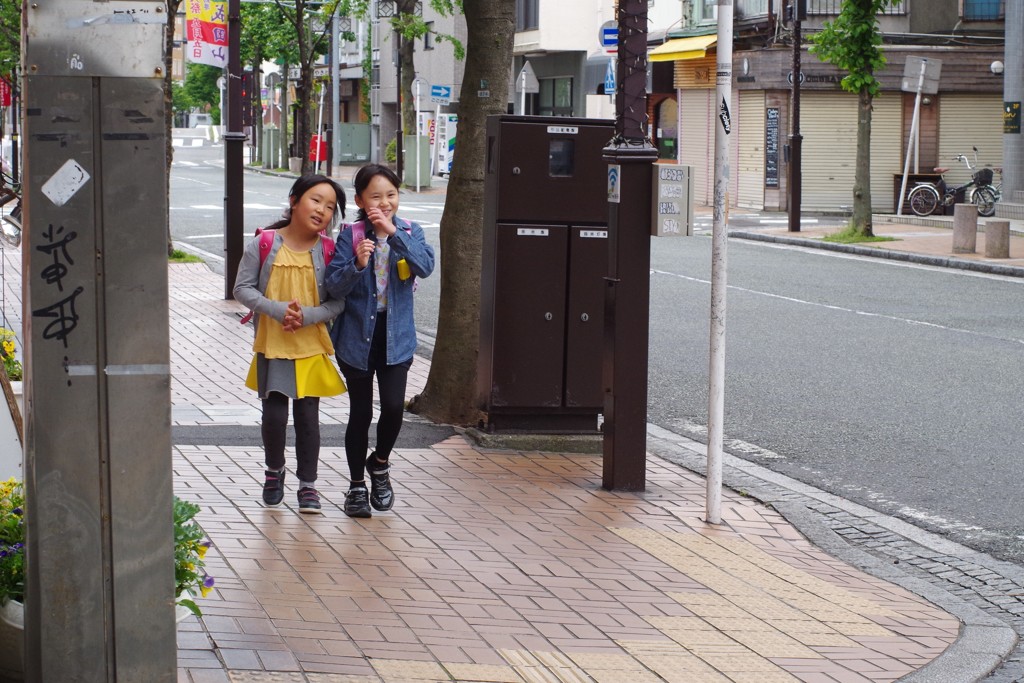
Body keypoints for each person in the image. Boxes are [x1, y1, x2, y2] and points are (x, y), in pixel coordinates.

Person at [325, 164, 435, 518]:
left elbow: (425, 267)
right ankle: (357, 486)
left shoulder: (410, 231)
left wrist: (394, 234)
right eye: (376, 196)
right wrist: (357, 263)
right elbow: (333, 285)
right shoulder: (351, 235)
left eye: (391, 195)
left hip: (396, 337)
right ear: (360, 200)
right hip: (357, 337)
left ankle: (380, 463)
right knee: (360, 412)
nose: (385, 202)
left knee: (392, 406)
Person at [233, 174, 347, 514]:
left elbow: (339, 301)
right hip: (273, 343)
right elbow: (242, 288)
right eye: (316, 200)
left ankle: (308, 485)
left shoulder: (330, 250)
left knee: (308, 418)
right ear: (294, 200)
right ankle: (274, 472)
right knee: (274, 415)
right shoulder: (265, 243)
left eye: (330, 206)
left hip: (311, 345)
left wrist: (307, 316)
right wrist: (278, 310)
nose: (322, 210)